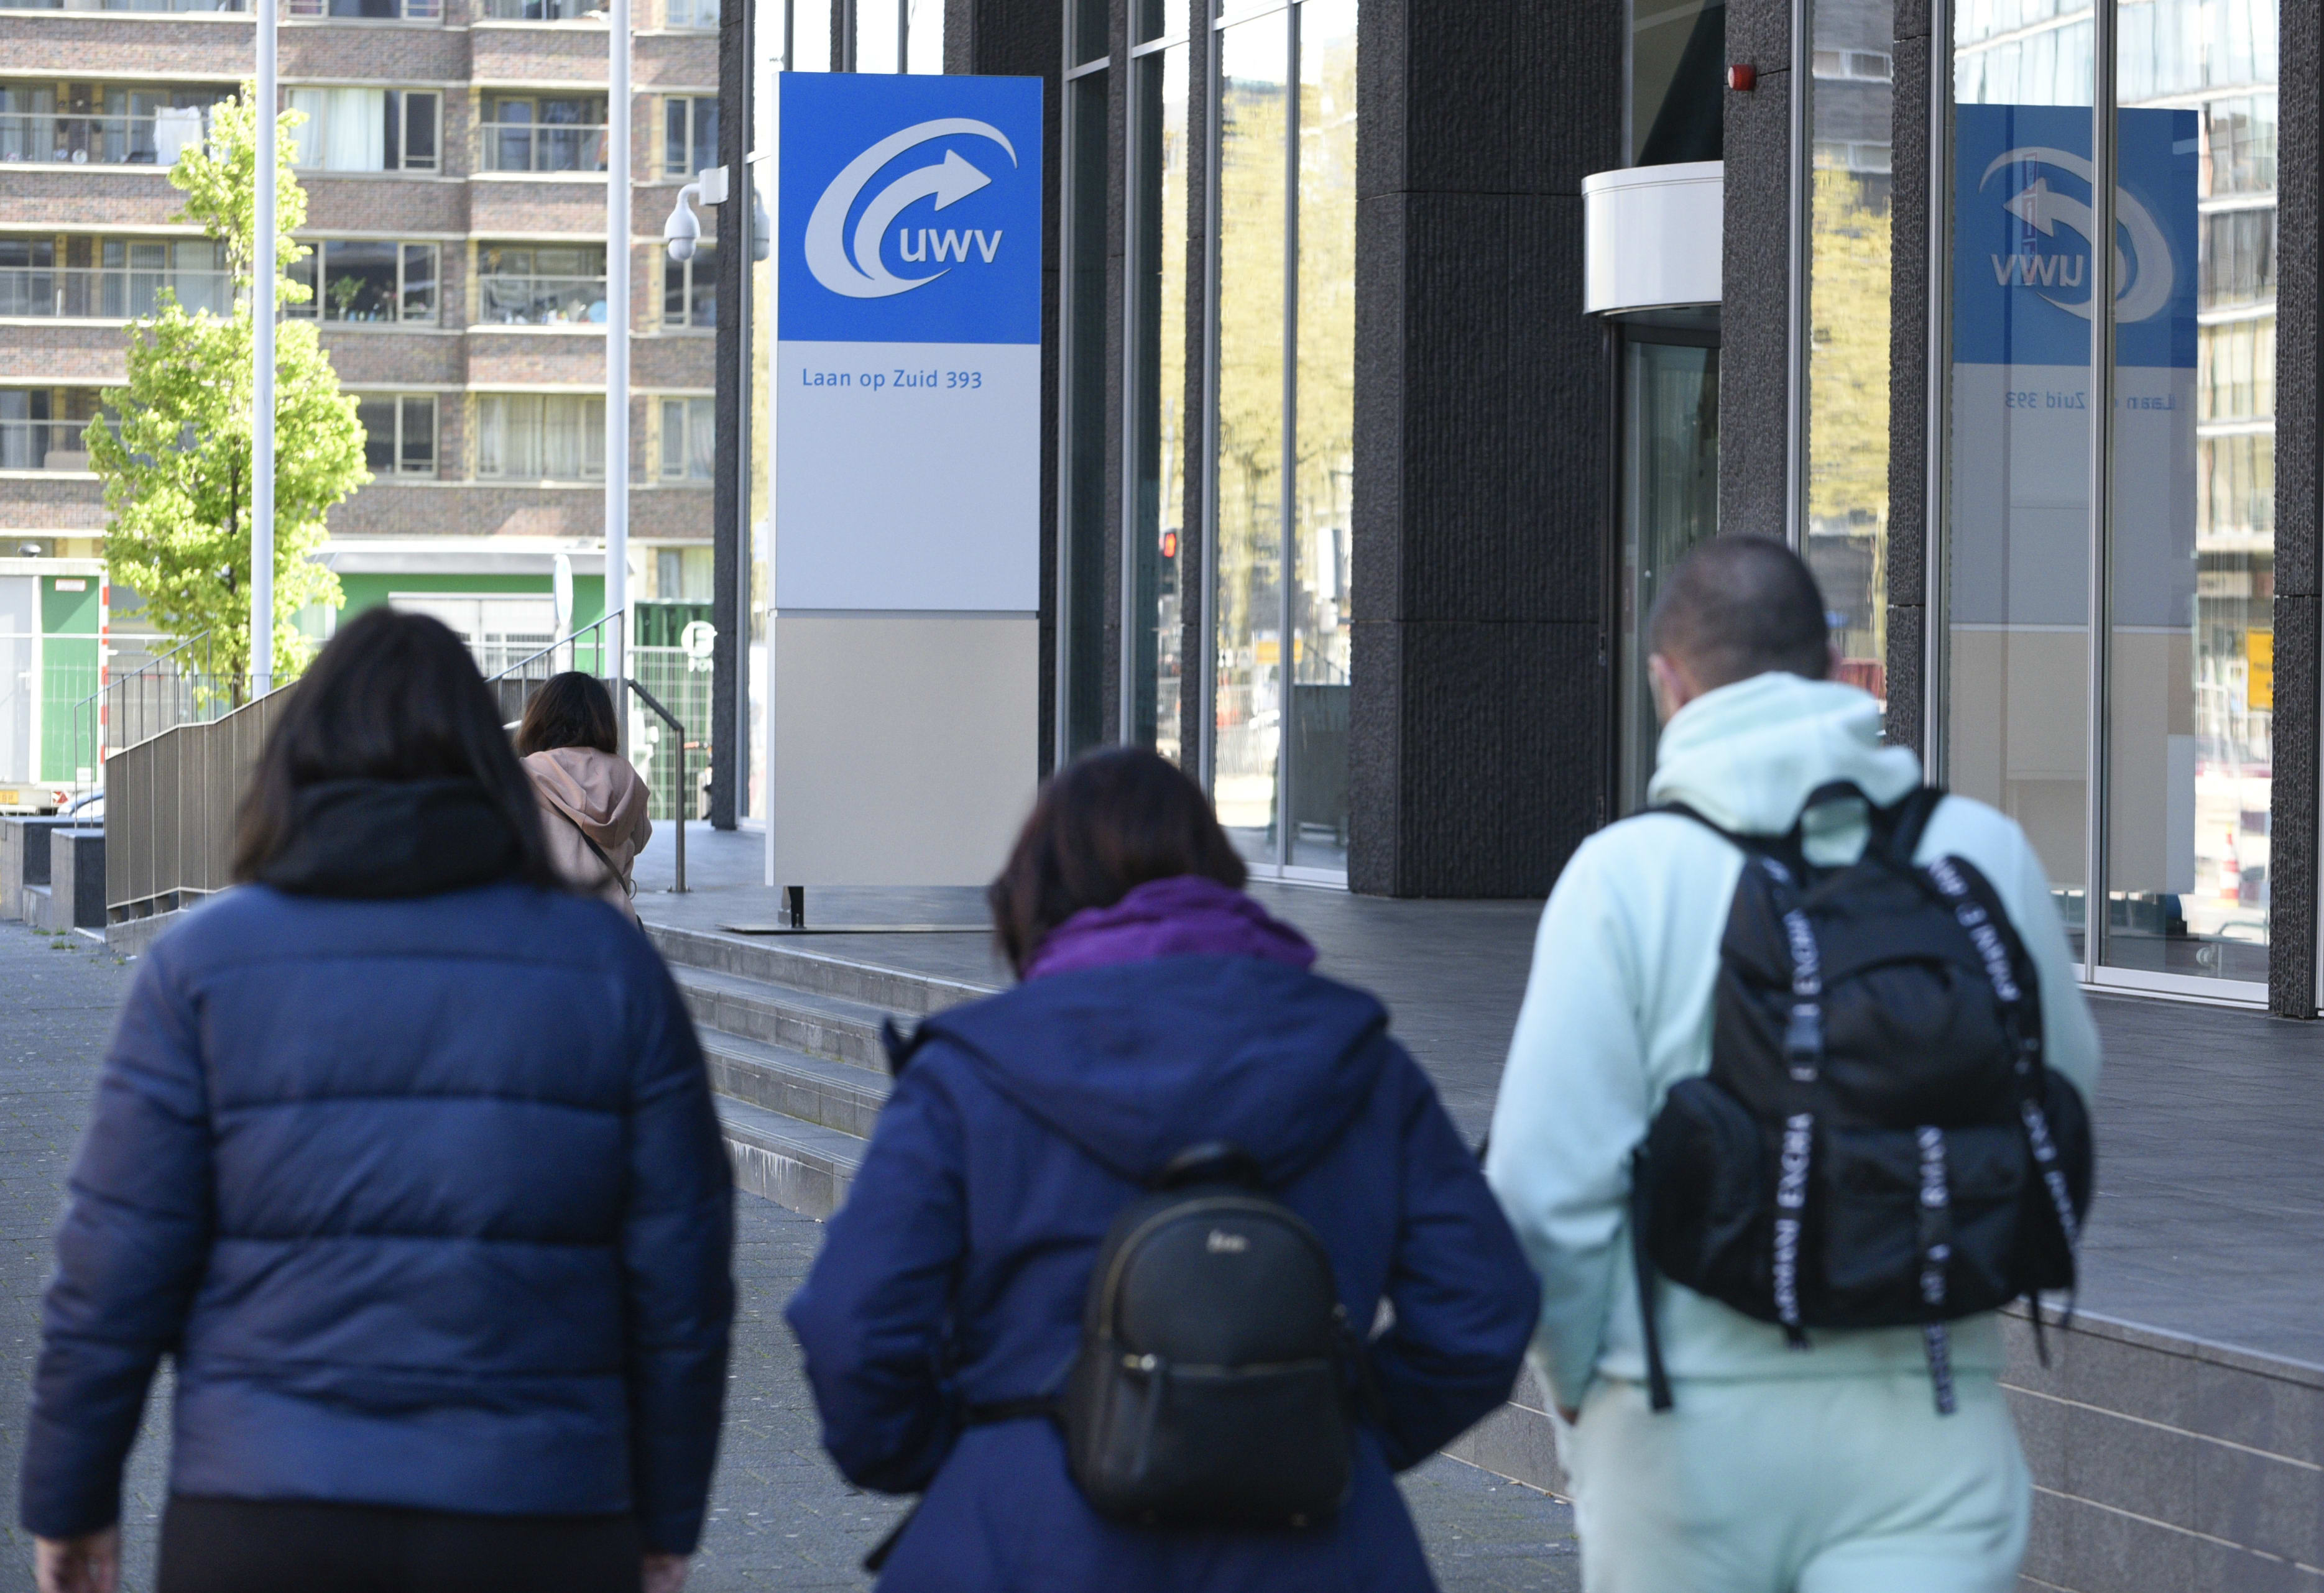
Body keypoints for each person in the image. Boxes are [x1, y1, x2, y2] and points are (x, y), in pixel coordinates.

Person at [20, 607, 734, 1593]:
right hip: (540, 1509)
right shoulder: (607, 968)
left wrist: (72, 1499)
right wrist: (666, 1516)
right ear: (490, 764)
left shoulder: (203, 967)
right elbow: (682, 1275)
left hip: (266, 1509)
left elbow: (114, 1261)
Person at [1485, 535, 2102, 1593]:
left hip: (1678, 1428)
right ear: (1831, 661)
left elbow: (1547, 1187)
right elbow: (2062, 1105)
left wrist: (1583, 1391)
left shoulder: (1624, 875)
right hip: (1932, 1421)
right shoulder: (1978, 850)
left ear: (1666, 680)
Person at [788, 746, 1541, 1592]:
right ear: (1221, 871)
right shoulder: (1363, 1065)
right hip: (1320, 1542)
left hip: (1022, 1535)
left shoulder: (970, 1075)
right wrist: (1325, 1426)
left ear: (1035, 889)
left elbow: (852, 1320)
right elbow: (1484, 1306)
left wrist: (962, 1451)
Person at [517, 671, 653, 920]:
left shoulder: (524, 776)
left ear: (539, 718)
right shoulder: (626, 774)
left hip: (552, 925)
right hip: (615, 925)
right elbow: (641, 838)